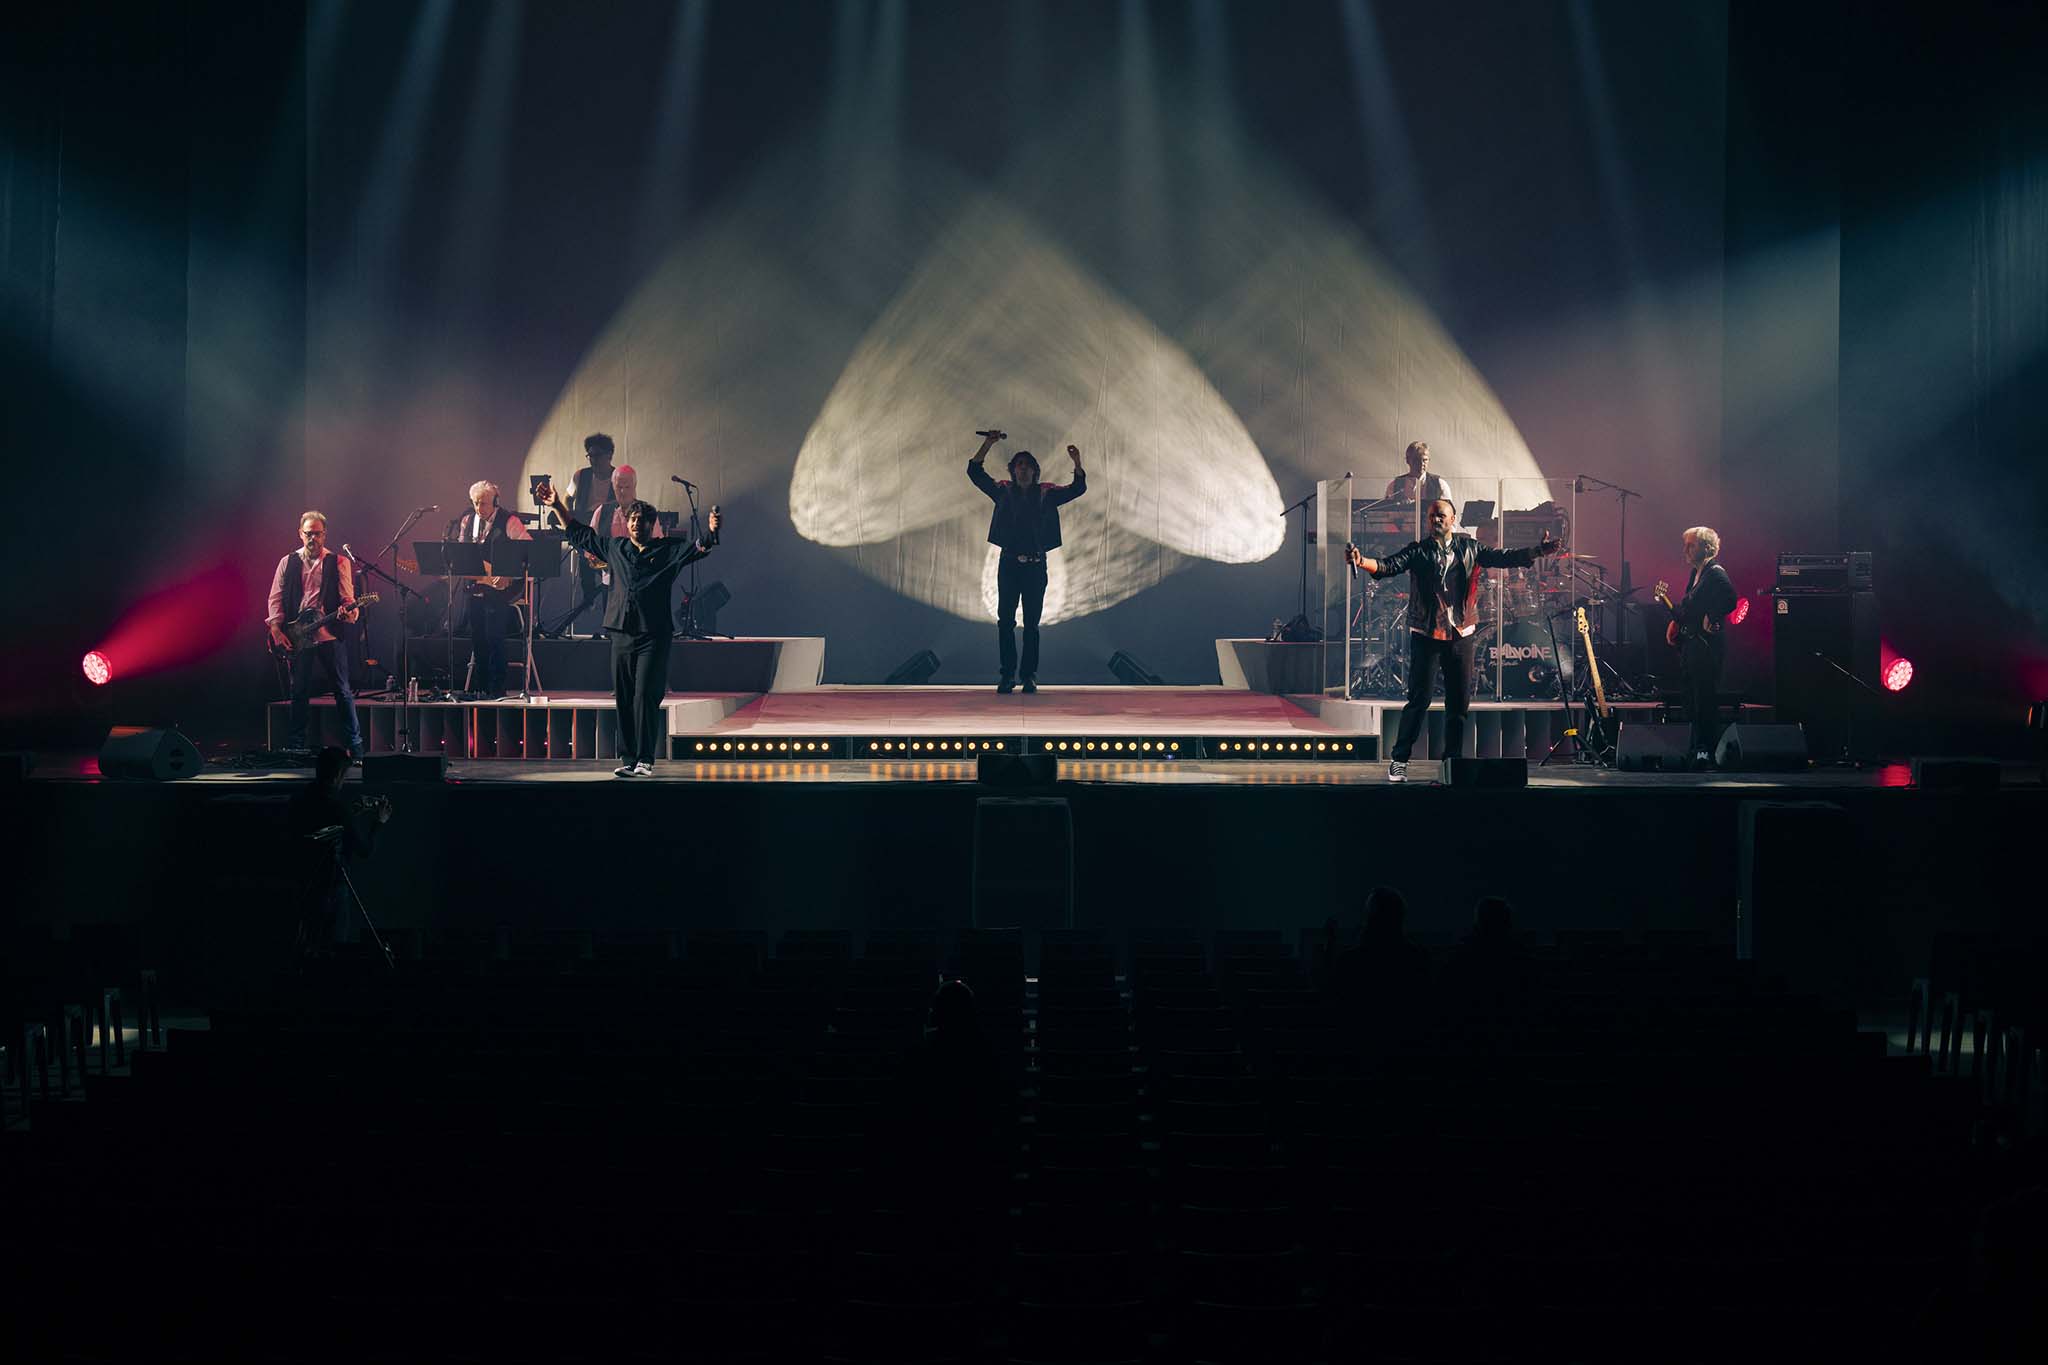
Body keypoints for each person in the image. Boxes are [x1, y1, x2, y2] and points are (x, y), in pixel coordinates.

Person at [1349, 497, 1561, 782]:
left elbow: (1504, 557)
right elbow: (1388, 566)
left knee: (1458, 704)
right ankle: (1399, 759)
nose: (1436, 520)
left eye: (1441, 515)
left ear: (1453, 519)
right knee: (1418, 700)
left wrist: (1537, 551)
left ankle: (1452, 762)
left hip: (1461, 634)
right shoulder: (1419, 551)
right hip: (1427, 634)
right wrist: (1362, 561)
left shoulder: (1470, 548)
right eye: (1432, 516)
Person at [537, 478, 718, 776]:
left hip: (653, 634)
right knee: (623, 696)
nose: (635, 525)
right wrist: (557, 504)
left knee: (645, 694)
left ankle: (645, 759)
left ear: (652, 524)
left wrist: (712, 532)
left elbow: (699, 547)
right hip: (621, 631)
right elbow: (579, 533)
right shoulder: (616, 547)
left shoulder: (667, 550)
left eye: (642, 521)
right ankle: (628, 759)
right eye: (632, 520)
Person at [967, 431, 1088, 694]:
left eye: (1027, 465)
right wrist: (987, 444)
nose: (1023, 469)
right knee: (1006, 622)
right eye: (1019, 465)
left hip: (1035, 566)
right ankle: (1007, 676)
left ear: (1034, 471)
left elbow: (1077, 489)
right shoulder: (1003, 491)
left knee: (1032, 624)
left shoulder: (1047, 493)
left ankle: (1029, 676)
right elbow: (975, 474)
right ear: (1013, 470)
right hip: (1009, 565)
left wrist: (1077, 463)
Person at [267, 510, 366, 757]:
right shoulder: (287, 562)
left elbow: (347, 599)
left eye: (318, 534)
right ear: (300, 534)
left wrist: (348, 613)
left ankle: (355, 746)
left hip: (328, 634)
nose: (313, 538)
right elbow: (275, 599)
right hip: (298, 635)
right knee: (299, 691)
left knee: (342, 691)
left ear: (325, 534)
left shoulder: (339, 562)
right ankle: (296, 746)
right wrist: (277, 630)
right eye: (309, 533)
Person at [285, 746, 391, 954]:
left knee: (307, 944)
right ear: (338, 775)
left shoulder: (299, 799)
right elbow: (364, 850)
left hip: (303, 883)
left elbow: (321, 823)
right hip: (332, 887)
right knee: (335, 948)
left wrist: (350, 815)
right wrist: (379, 823)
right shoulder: (338, 809)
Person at [545, 463, 664, 637]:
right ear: (613, 487)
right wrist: (595, 560)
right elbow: (590, 546)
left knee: (639, 634)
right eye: (618, 487)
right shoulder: (602, 512)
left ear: (635, 486)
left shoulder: (646, 512)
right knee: (614, 635)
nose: (622, 491)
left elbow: (658, 549)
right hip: (611, 586)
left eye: (627, 487)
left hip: (640, 587)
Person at [1657, 526, 1737, 767]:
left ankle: (1706, 751)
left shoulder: (1715, 573)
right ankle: (1695, 748)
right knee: (1691, 699)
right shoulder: (1697, 574)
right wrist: (1672, 616)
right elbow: (1687, 611)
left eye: (1691, 545)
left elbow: (1730, 598)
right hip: (1691, 647)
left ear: (1707, 548)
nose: (1686, 549)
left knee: (1704, 699)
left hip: (1705, 648)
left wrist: (1712, 617)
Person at [452, 479, 532, 697]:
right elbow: (461, 553)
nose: (479, 508)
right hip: (475, 587)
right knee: (477, 636)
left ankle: (497, 686)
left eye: (484, 503)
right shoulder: (467, 521)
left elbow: (528, 552)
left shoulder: (510, 521)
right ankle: (482, 686)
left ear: (495, 502)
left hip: (501, 589)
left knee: (494, 636)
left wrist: (509, 574)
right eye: (476, 503)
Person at [1383, 440, 1454, 538]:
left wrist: (1445, 540)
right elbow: (1387, 519)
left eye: (1425, 460)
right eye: (1416, 460)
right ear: (1407, 460)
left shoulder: (1440, 484)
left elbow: (1450, 518)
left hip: (1433, 539)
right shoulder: (1394, 485)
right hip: (1400, 541)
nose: (1421, 464)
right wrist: (1396, 537)